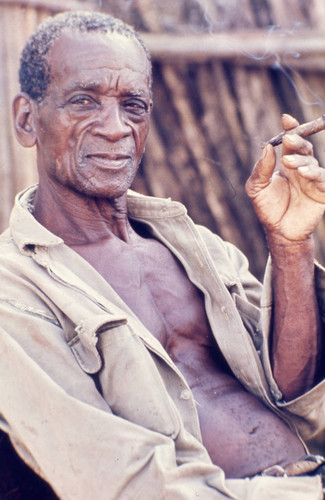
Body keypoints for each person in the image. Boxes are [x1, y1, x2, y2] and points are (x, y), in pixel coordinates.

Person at [0, 9, 324, 500]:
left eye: (134, 106)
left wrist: (291, 243)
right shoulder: (14, 287)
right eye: (85, 101)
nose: (115, 128)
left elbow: (293, 391)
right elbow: (117, 480)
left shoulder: (192, 245)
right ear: (28, 120)